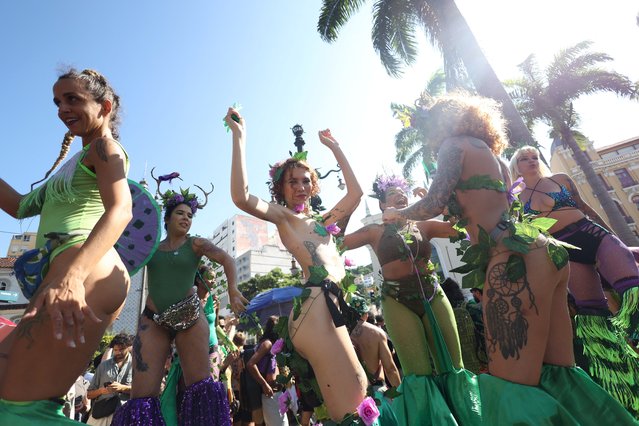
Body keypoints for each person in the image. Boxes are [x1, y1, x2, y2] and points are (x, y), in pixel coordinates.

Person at [381, 92, 638, 425]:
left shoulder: (453, 145)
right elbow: (471, 209)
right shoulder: (491, 155)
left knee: (509, 391)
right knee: (561, 378)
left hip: (513, 261)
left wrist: (397, 214)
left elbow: (437, 198)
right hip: (546, 252)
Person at [0, 68, 133, 424]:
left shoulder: (106, 148)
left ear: (104, 106)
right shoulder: (71, 165)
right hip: (69, 269)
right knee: (12, 390)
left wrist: (73, 275)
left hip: (83, 267)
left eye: (72, 98)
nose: (62, 108)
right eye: (58, 101)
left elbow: (121, 209)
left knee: (17, 403)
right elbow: (17, 206)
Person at [227, 107, 368, 422]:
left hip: (333, 304)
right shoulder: (284, 216)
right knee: (353, 397)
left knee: (354, 391)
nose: (300, 186)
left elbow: (355, 194)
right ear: (281, 188)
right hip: (316, 307)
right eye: (292, 181)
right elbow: (241, 197)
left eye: (306, 180)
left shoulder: (323, 221)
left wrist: (335, 147)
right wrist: (239, 138)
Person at [510, 145, 639, 417]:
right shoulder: (515, 201)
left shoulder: (560, 180)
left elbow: (585, 208)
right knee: (594, 317)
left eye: (534, 157)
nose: (532, 161)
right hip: (564, 252)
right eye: (524, 158)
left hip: (591, 233)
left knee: (633, 288)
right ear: (516, 166)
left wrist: (615, 237)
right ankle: (624, 385)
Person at [343, 174, 479, 425]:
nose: (400, 195)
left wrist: (442, 203)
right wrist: (348, 205)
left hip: (433, 295)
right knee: (419, 374)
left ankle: (467, 419)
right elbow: (338, 241)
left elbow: (460, 229)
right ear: (383, 205)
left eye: (402, 192)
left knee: (453, 365)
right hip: (397, 300)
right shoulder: (374, 231)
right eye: (393, 193)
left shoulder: (423, 225)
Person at [112, 184, 248, 426]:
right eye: (180, 213)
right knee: (141, 396)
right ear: (166, 218)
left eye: (189, 215)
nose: (186, 218)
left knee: (201, 390)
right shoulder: (151, 247)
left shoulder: (195, 244)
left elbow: (226, 258)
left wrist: (233, 288)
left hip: (190, 319)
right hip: (153, 321)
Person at [246, 316, 289, 426]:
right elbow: (251, 364)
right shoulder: (267, 344)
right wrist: (264, 384)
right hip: (270, 394)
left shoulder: (275, 344)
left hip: (276, 393)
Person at [86, 333, 133, 425]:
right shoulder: (103, 366)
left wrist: (123, 388)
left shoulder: (137, 367)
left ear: (129, 347)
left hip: (124, 415)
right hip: (101, 414)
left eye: (121, 349)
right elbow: (89, 394)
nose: (118, 352)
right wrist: (101, 391)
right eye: (115, 350)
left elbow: (142, 392)